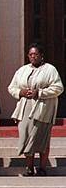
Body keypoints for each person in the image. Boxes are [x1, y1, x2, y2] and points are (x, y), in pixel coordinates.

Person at [8, 43, 64, 176]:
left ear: (41, 55)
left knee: (42, 139)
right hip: (25, 109)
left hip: (43, 110)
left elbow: (58, 88)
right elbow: (11, 87)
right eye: (31, 54)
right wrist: (21, 92)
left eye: (36, 54)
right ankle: (29, 167)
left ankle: (42, 167)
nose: (33, 57)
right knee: (26, 137)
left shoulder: (50, 70)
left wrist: (39, 93)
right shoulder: (22, 70)